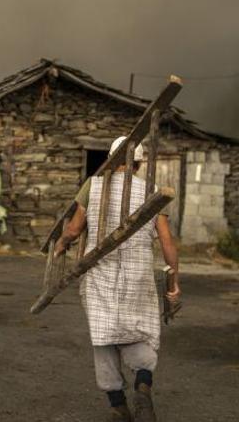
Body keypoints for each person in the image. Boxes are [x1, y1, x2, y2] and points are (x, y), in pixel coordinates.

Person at [53, 136, 180, 422]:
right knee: (141, 330)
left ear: (111, 160)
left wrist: (61, 244)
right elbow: (167, 242)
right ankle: (143, 384)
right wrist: (175, 281)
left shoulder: (94, 185)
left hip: (100, 273)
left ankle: (117, 405)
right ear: (137, 163)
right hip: (138, 273)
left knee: (104, 336)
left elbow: (74, 229)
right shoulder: (152, 190)